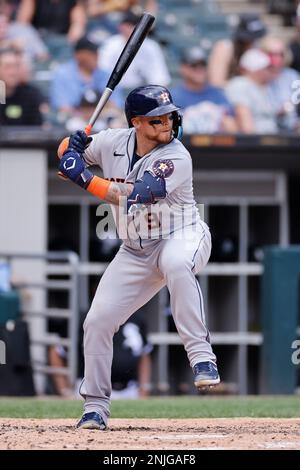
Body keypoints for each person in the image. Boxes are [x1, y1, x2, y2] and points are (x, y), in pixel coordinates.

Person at [58, 84, 220, 430]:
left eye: (168, 117)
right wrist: (70, 146)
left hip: (182, 235)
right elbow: (66, 156)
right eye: (156, 120)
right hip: (134, 250)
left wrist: (83, 178)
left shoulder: (177, 156)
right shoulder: (111, 141)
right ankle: (96, 407)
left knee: (176, 263)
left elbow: (137, 195)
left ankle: (202, 358)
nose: (166, 124)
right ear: (136, 123)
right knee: (97, 321)